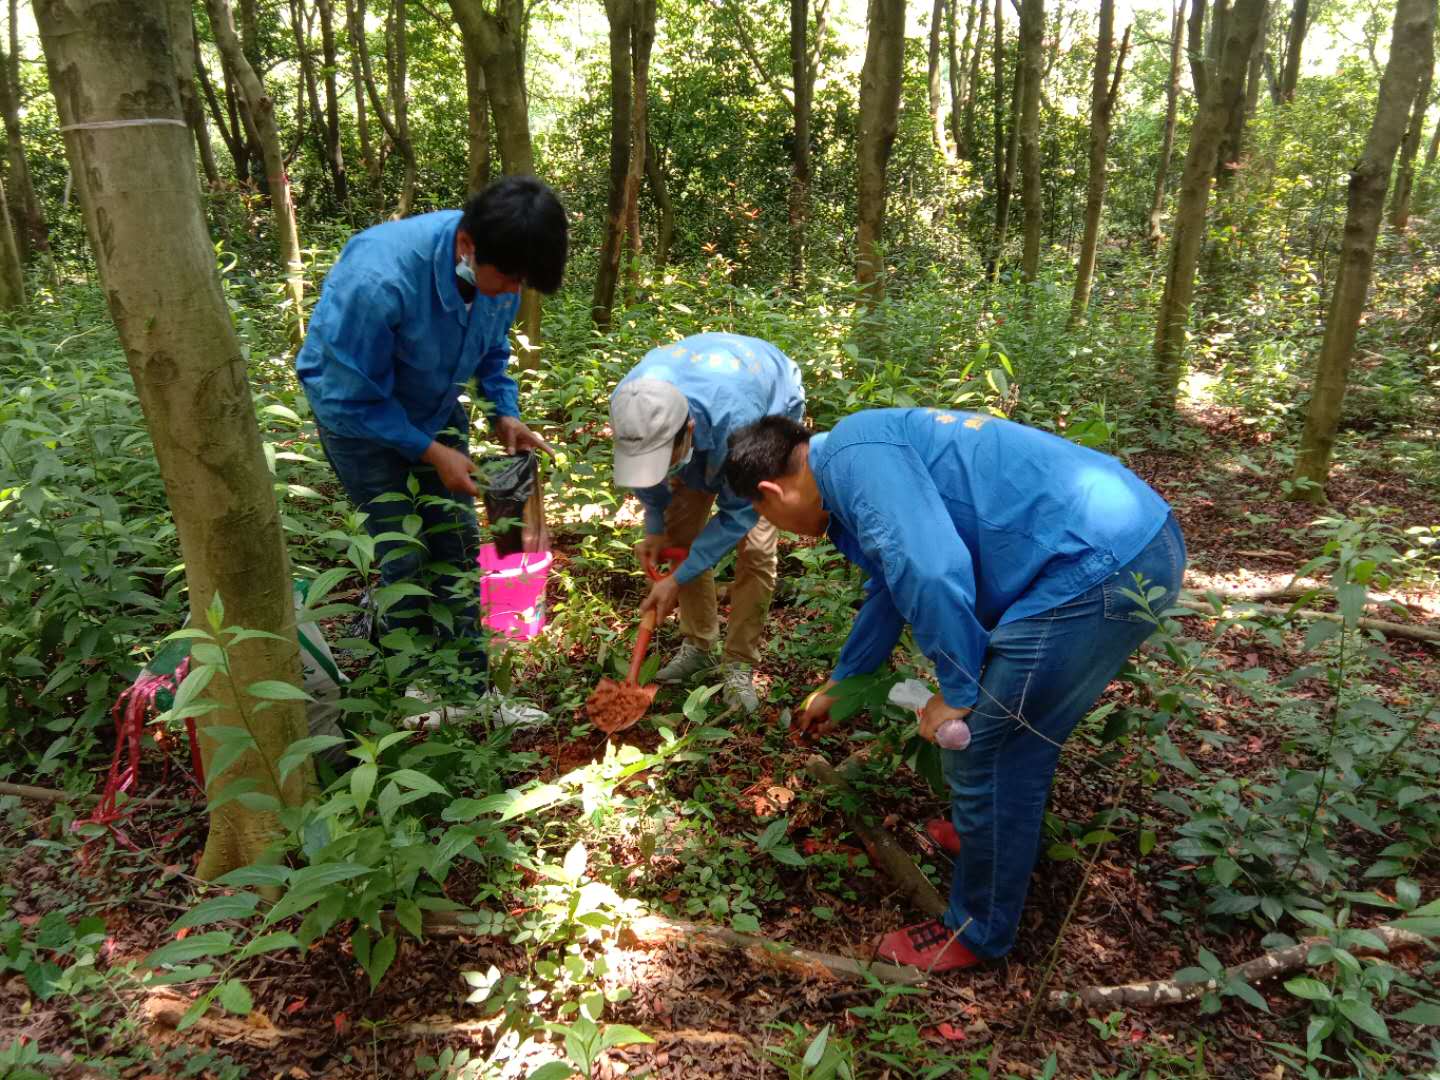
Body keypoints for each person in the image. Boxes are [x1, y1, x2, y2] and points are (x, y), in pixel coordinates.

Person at [724, 408, 1185, 971]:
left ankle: (976, 931)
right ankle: (988, 838)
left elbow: (932, 568)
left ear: (770, 490)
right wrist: (844, 684)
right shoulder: (852, 456)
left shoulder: (851, 462)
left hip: (1098, 567)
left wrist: (958, 687)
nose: (772, 523)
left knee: (989, 744)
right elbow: (894, 583)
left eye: (759, 510)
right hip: (1131, 544)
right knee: (1013, 733)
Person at [296, 176, 566, 719]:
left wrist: (503, 411)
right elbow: (347, 396)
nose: (514, 292)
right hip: (360, 426)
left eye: (524, 283)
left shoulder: (498, 268)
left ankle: (468, 690)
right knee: (404, 553)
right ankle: (416, 691)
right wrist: (429, 452)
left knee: (458, 544)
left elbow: (490, 351)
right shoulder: (378, 280)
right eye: (509, 278)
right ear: (467, 246)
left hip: (435, 405)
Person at [609, 333, 806, 713]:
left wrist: (676, 580)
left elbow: (739, 516)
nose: (659, 472)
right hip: (710, 400)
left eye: (666, 460)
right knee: (680, 530)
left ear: (688, 433)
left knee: (757, 546)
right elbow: (640, 470)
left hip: (768, 399)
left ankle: (738, 663)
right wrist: (654, 525)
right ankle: (699, 645)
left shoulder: (741, 426)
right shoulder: (630, 403)